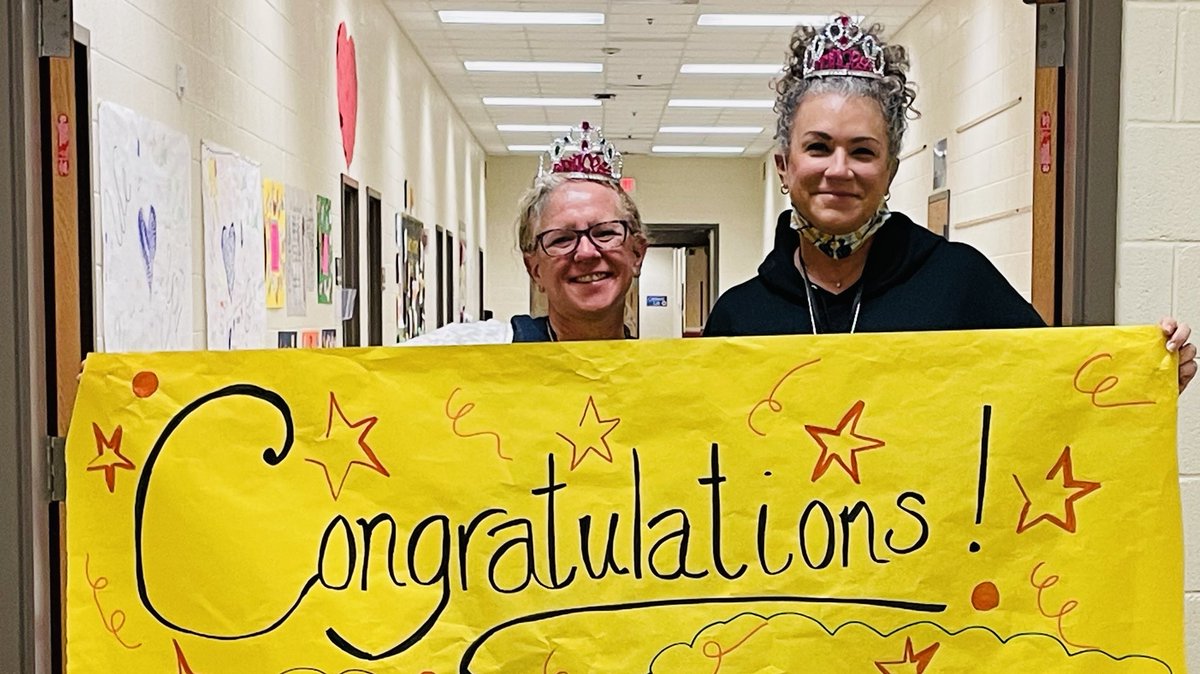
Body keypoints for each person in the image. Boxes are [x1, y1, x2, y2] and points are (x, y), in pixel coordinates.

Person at [704, 15, 1195, 393]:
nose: (839, 169)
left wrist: (1142, 382)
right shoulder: (739, 318)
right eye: (818, 147)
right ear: (784, 166)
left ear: (890, 170)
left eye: (863, 152)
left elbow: (1056, 392)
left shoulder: (961, 283)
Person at [406, 123, 647, 345]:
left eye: (605, 233)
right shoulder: (470, 350)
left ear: (637, 253)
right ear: (534, 269)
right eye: (562, 239)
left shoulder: (660, 370)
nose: (586, 252)